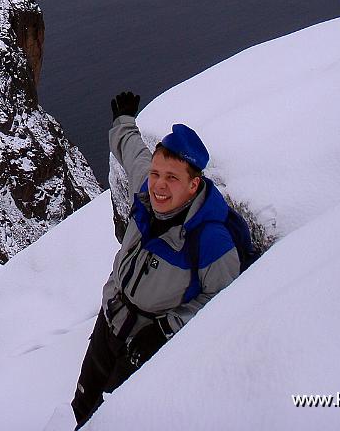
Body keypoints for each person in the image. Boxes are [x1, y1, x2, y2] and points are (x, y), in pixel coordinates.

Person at [71, 91, 241, 428]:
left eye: (172, 178)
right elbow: (132, 153)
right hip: (110, 321)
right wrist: (123, 121)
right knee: (84, 402)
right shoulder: (146, 195)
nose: (159, 186)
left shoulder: (211, 241)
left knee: (112, 416)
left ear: (194, 185)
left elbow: (225, 300)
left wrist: (165, 330)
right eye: (156, 174)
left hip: (145, 345)